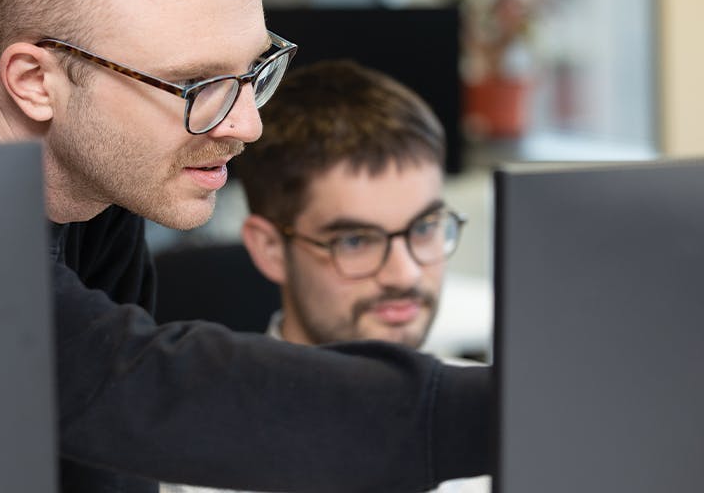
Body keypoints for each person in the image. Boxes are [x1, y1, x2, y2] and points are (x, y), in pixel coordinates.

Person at [0, 0, 492, 491]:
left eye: (255, 71)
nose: (248, 125)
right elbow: (121, 385)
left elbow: (101, 456)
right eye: (199, 87)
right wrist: (507, 409)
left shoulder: (88, 150)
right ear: (34, 80)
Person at [163, 60, 491, 493]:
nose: (405, 273)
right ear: (270, 249)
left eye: (425, 228)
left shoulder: (499, 421)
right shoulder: (207, 463)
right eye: (356, 241)